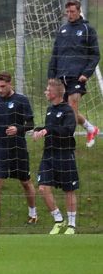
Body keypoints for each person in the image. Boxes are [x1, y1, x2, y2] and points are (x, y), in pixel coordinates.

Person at [0, 72, 37, 228]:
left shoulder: (21, 100)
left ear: (10, 84)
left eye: (3, 86)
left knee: (25, 182)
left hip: (18, 148)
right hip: (0, 147)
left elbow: (31, 124)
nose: (0, 90)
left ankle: (33, 213)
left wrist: (18, 129)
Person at [48, 0, 100, 147]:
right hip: (60, 77)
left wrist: (86, 73)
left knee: (71, 108)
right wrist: (51, 76)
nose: (70, 14)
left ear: (79, 11)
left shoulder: (87, 29)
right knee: (65, 110)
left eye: (73, 12)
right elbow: (55, 55)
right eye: (68, 12)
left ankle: (67, 145)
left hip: (77, 77)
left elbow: (95, 55)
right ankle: (90, 128)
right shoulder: (62, 30)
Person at [32, 79, 79, 235]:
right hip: (49, 154)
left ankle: (71, 225)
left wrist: (48, 130)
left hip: (64, 154)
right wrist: (39, 130)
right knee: (43, 187)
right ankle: (59, 219)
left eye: (47, 90)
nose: (45, 92)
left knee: (69, 190)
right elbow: (49, 128)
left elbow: (68, 130)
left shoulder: (67, 111)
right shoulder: (49, 110)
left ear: (54, 93)